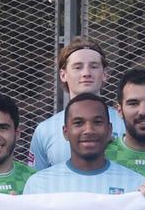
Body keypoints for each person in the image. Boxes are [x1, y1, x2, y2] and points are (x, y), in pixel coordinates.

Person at [24, 94, 145, 195]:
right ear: (65, 132)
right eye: (78, 123)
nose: (89, 130)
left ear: (109, 131)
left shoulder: (136, 185)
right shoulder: (39, 185)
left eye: (97, 122)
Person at [30, 38, 125, 169]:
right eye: (78, 67)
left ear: (105, 74)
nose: (86, 73)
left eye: (94, 66)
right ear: (63, 75)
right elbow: (36, 181)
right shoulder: (44, 130)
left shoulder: (125, 123)